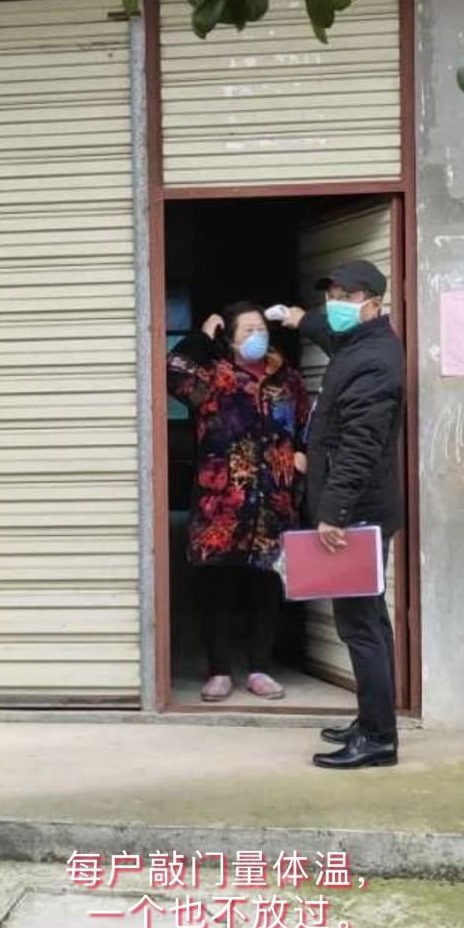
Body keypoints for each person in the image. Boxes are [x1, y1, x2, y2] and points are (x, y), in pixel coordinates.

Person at [283, 261, 404, 768]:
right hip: (360, 508)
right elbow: (330, 334)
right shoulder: (358, 343)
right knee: (369, 620)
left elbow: (360, 445)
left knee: (359, 626)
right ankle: (373, 719)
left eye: (347, 296)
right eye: (332, 294)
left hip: (355, 513)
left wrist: (334, 512)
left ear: (374, 302)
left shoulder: (374, 361)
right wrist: (301, 319)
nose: (336, 304)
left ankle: (377, 739)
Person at [167, 301, 309, 702]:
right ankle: (219, 671)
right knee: (218, 588)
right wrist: (201, 337)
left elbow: (309, 419)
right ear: (229, 339)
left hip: (273, 501)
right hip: (222, 504)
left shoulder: (287, 379)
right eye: (247, 330)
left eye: (260, 328)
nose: (256, 336)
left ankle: (260, 669)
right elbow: (172, 372)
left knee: (265, 585)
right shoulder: (214, 377)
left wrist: (303, 452)